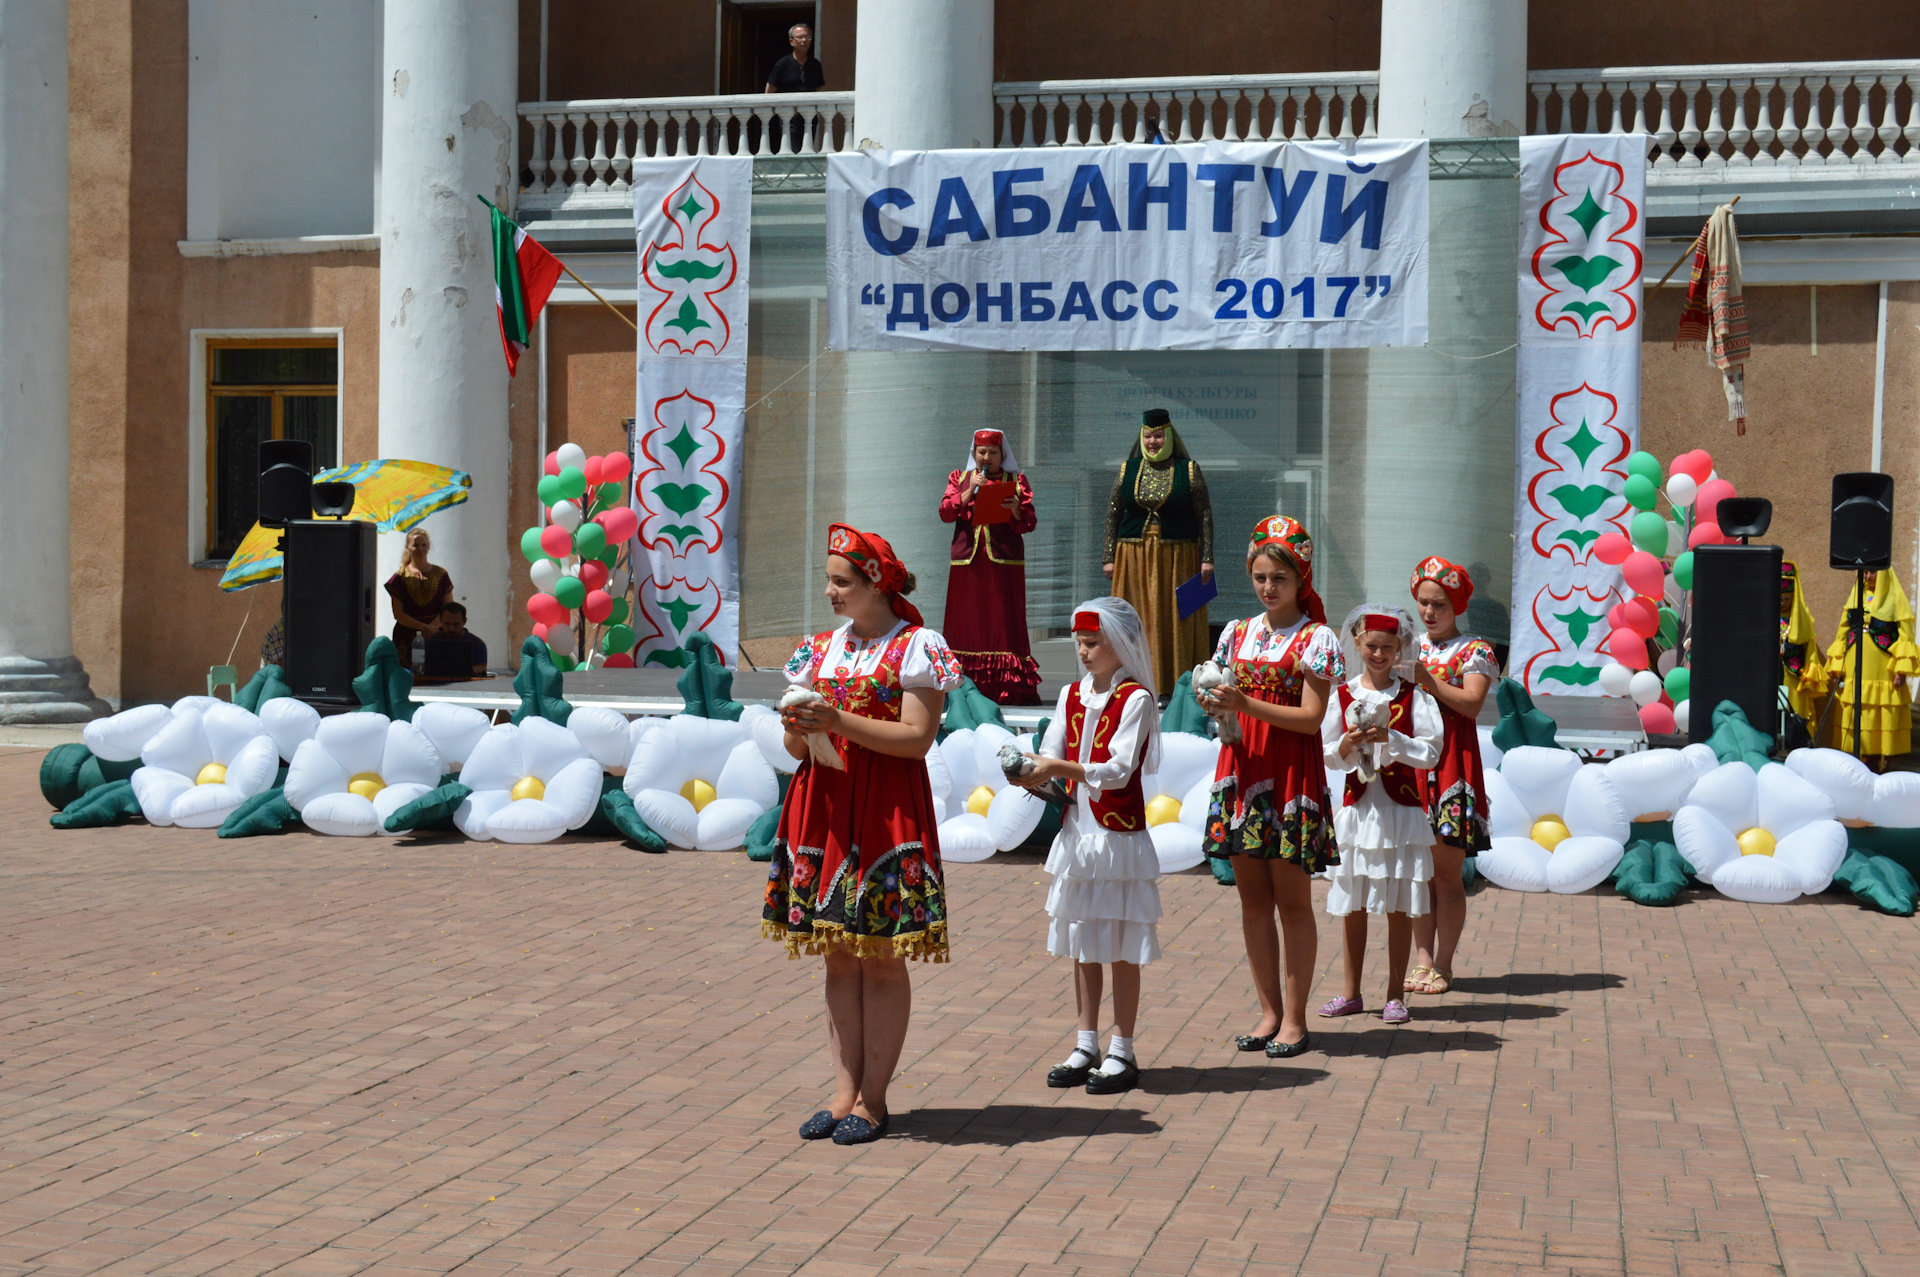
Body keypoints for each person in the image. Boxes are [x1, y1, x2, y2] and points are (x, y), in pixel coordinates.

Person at [765, 523, 963, 1145]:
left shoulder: (918, 646)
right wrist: (798, 722)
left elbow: (915, 739)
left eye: (841, 581)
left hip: (883, 811)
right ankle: (842, 1090)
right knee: (838, 953)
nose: (830, 592)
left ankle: (873, 1099)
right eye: (828, 580)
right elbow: (796, 746)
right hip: (823, 804)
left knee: (879, 956)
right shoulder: (820, 649)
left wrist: (837, 716)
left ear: (876, 583)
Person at [1196, 516, 1340, 1059]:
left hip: (1288, 775)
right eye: (1259, 576)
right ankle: (1268, 1012)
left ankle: (1297, 1020)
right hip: (1241, 769)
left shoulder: (1316, 637)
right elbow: (1223, 695)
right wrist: (1211, 697)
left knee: (1292, 903)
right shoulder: (1237, 632)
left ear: (1300, 579)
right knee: (1252, 902)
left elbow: (1311, 718)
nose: (1267, 587)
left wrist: (1244, 703)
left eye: (1278, 577)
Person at [1016, 598, 1163, 1095]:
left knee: (1121, 944)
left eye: (1092, 641)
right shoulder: (1071, 694)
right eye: (1079, 641)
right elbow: (1052, 749)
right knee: (1082, 942)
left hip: (1117, 836)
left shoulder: (1137, 699)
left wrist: (1055, 769)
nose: (1082, 650)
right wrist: (1030, 771)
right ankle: (1086, 1042)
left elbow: (1119, 770)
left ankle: (1123, 1047)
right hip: (1079, 833)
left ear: (1118, 644)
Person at [1321, 605, 1442, 1026]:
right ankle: (1351, 992)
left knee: (1398, 905)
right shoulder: (1341, 693)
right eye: (1371, 646)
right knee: (1353, 905)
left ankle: (1394, 994)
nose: (1378, 655)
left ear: (1399, 649)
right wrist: (1347, 747)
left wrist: (1393, 739)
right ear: (1357, 643)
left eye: (1387, 648)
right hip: (1359, 812)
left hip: (1401, 813)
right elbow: (1327, 755)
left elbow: (1430, 752)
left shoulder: (1413, 696)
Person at [1408, 557, 1497, 996]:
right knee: (1418, 874)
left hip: (1450, 768)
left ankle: (1443, 962)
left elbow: (1472, 704)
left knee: (1445, 875)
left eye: (1439, 603)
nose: (1429, 612)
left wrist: (1426, 679)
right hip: (1411, 767)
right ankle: (1421, 958)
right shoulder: (1409, 645)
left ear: (1456, 604)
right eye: (1423, 603)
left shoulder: (1475, 650)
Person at [1102, 408, 1215, 693]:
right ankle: (1132, 684)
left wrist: (1207, 558)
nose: (1153, 442)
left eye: (1159, 436)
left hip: (1179, 556)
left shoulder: (1188, 469)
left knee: (1176, 620)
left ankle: (1174, 687)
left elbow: (1203, 515)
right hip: (1133, 556)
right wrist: (1108, 556)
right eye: (1148, 436)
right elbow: (1113, 514)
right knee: (1135, 617)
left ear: (1169, 437)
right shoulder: (1128, 469)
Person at [939, 428, 1041, 705]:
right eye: (982, 452)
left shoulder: (1015, 481)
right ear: (974, 453)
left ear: (1002, 454)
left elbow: (1029, 523)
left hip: (1003, 559)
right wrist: (971, 489)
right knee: (967, 621)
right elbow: (946, 513)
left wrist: (1016, 509)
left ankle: (1006, 688)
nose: (987, 457)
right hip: (968, 560)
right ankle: (961, 685)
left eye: (992, 453)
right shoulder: (959, 478)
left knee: (1001, 621)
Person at [1825, 567, 1920, 766]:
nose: (1868, 577)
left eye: (1873, 572)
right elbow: (1844, 630)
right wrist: (1837, 665)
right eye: (1865, 572)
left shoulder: (1894, 597)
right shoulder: (1857, 596)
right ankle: (1856, 759)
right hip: (1854, 660)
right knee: (1856, 707)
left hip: (1881, 665)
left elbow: (1906, 636)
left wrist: (1901, 668)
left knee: (1877, 709)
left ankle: (1877, 760)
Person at [385, 529, 453, 670]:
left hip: (436, 633)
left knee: (438, 675)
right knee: (407, 677)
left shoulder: (441, 575)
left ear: (429, 546)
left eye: (424, 545)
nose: (420, 549)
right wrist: (423, 628)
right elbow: (398, 614)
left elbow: (448, 609)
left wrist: (431, 629)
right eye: (415, 545)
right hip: (406, 634)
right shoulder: (399, 578)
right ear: (408, 547)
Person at [763, 22, 823, 153]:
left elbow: (818, 89)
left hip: (810, 113)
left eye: (807, 37)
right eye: (800, 37)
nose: (804, 41)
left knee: (808, 147)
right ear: (791, 41)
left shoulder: (815, 64)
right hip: (789, 115)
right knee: (793, 147)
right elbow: (770, 88)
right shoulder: (782, 64)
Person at [429, 603, 489, 677]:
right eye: (447, 624)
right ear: (441, 621)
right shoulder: (433, 641)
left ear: (464, 621)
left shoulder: (477, 644)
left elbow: (481, 671)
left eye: (456, 624)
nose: (451, 629)